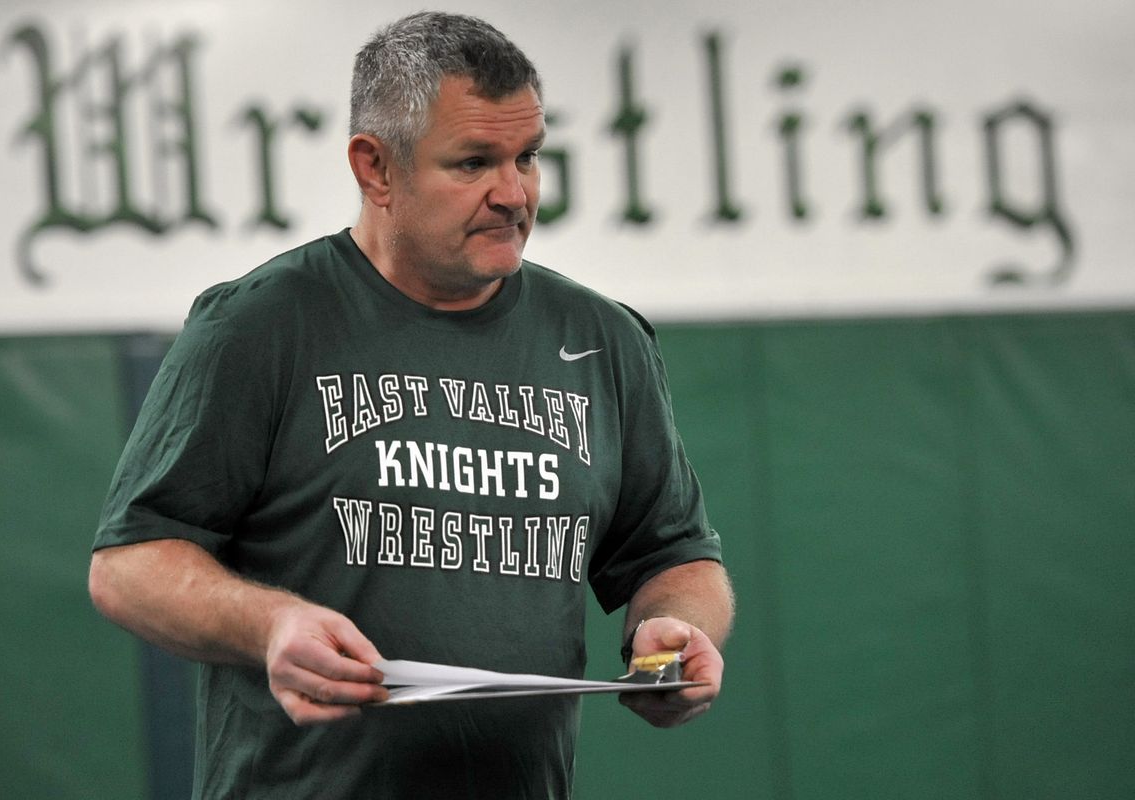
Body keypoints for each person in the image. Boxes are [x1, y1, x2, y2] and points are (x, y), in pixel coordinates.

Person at [89, 11, 734, 799]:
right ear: (375, 169)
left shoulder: (604, 340)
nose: (513, 193)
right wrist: (272, 626)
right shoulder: (259, 326)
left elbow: (674, 556)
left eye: (527, 157)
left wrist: (674, 631)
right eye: (473, 162)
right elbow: (129, 566)